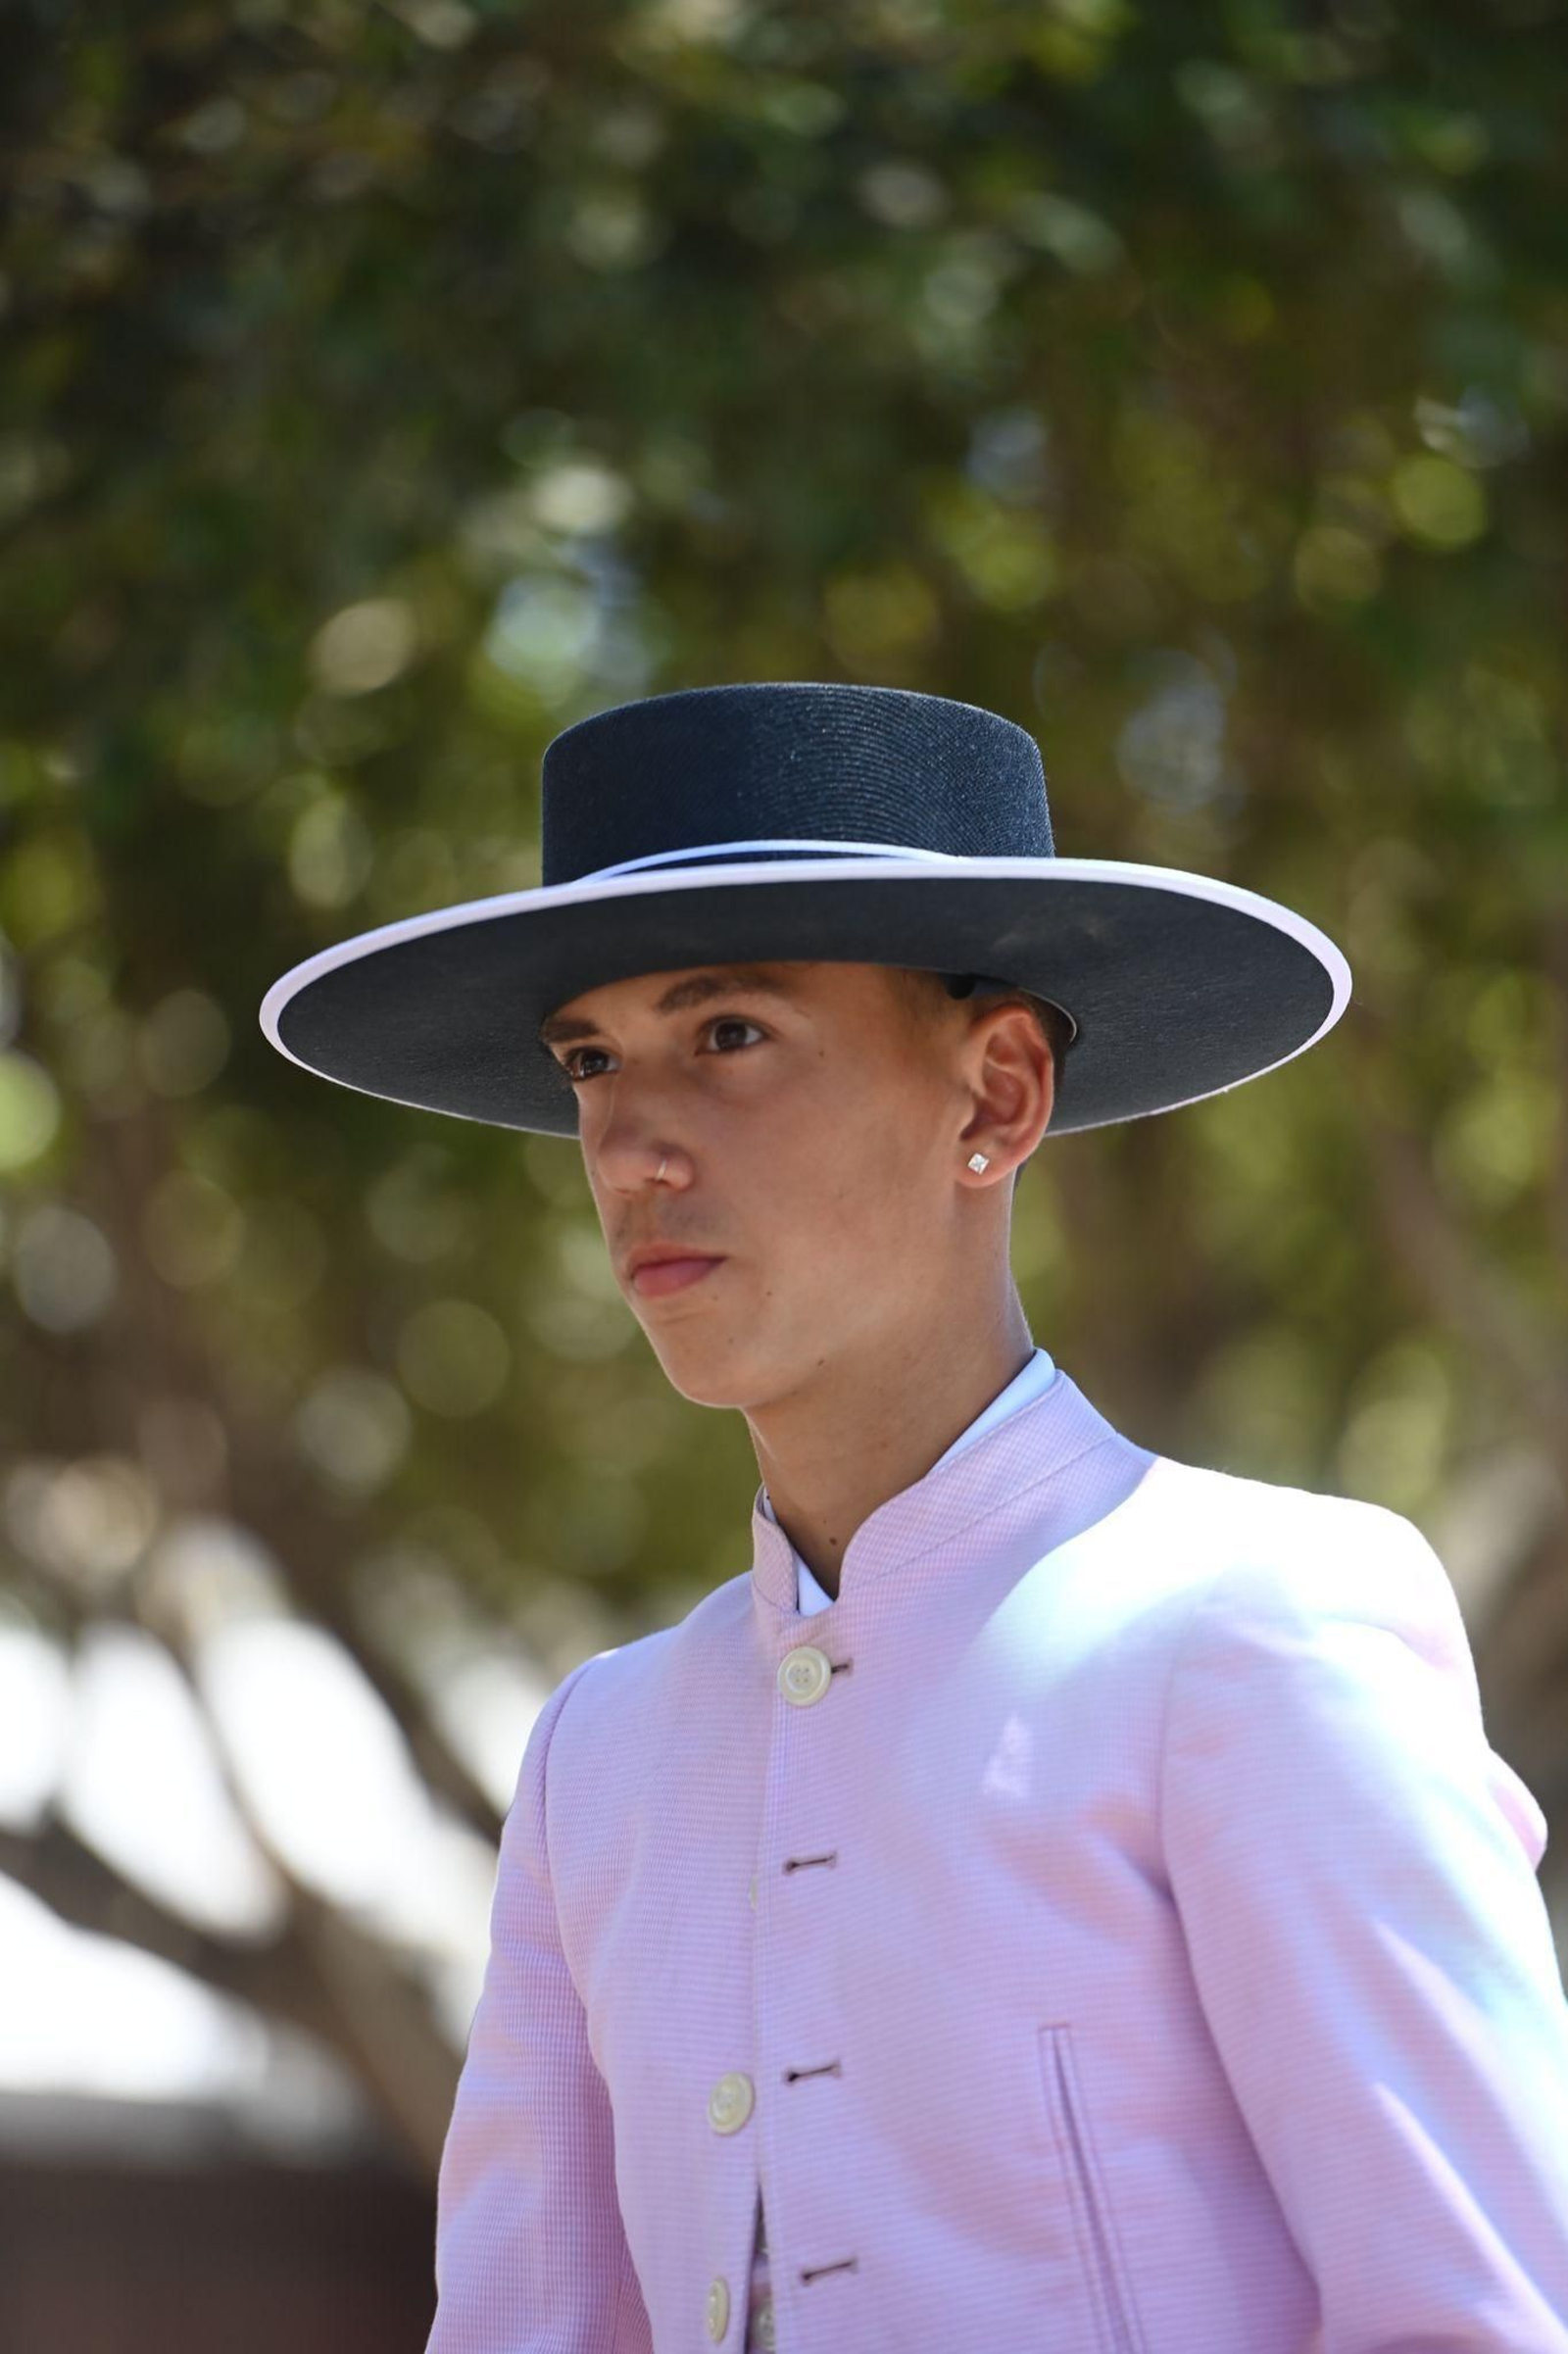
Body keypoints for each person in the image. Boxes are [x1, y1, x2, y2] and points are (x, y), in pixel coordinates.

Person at [261, 681, 1568, 2351]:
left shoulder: (1257, 1627)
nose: (630, 1146)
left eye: (727, 1034)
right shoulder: (603, 1754)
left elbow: (1480, 2318)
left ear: (995, 1097)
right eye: (591, 1059)